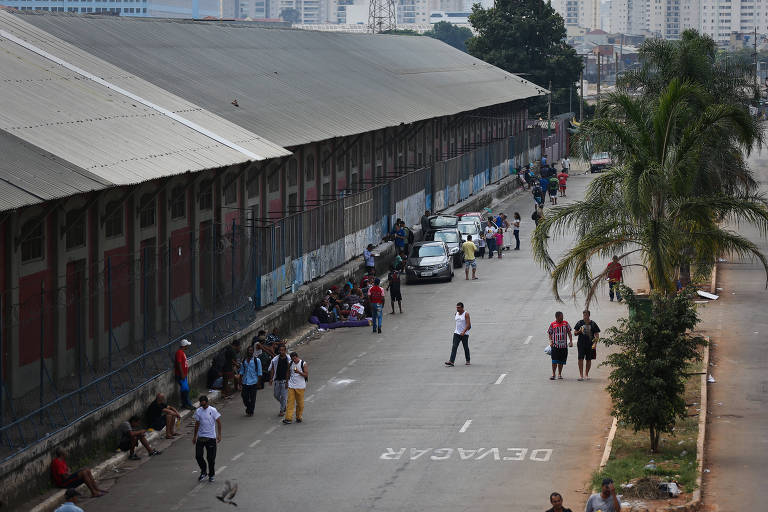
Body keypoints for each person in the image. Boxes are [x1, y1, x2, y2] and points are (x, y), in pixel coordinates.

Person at [192, 395, 222, 483]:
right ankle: (203, 471)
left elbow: (219, 422)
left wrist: (219, 435)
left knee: (210, 458)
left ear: (207, 403)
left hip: (211, 437)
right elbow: (197, 424)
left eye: (204, 405)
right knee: (198, 456)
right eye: (202, 405)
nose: (203, 406)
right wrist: (195, 436)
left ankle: (211, 474)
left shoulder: (213, 410)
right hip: (201, 437)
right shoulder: (198, 411)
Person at [574, 310, 601, 381]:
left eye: (586, 315)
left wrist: (595, 343)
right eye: (584, 315)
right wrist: (579, 331)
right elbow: (575, 333)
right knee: (580, 358)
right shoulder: (580, 323)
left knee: (588, 359)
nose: (585, 317)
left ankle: (586, 374)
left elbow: (597, 334)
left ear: (589, 315)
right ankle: (581, 375)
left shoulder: (593, 324)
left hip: (590, 344)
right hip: (581, 344)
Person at [283, 352, 308, 424]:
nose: (294, 360)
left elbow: (306, 375)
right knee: (290, 402)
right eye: (292, 359)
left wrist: (298, 372)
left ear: (297, 357)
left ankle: (298, 417)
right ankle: (288, 418)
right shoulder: (290, 363)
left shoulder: (303, 363)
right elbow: (288, 372)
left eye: (295, 358)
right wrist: (287, 382)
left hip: (300, 386)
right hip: (291, 385)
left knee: (300, 404)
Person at [547, 311, 573, 380]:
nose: (562, 318)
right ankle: (553, 374)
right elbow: (550, 333)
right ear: (557, 317)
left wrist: (571, 341)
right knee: (554, 360)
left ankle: (559, 374)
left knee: (561, 361)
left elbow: (569, 332)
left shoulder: (565, 323)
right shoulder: (553, 324)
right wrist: (551, 341)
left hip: (563, 346)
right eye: (561, 317)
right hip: (555, 346)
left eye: (562, 316)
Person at [445, 302, 471, 366]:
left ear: (462, 308)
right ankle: (451, 361)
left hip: (464, 334)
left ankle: (468, 360)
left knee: (465, 347)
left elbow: (468, 325)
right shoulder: (456, 313)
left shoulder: (466, 314)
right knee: (454, 347)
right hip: (456, 333)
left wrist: (464, 332)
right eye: (457, 307)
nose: (457, 309)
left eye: (459, 308)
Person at [239, 345, 262, 416]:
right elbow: (241, 372)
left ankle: (250, 411)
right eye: (249, 350)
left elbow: (259, 372)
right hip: (245, 382)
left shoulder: (257, 360)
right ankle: (249, 407)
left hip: (254, 382)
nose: (250, 352)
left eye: (251, 350)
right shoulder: (244, 361)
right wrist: (240, 382)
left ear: (253, 351)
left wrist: (258, 382)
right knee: (244, 396)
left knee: (252, 398)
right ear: (247, 351)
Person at [269, 344, 290, 416]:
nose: (281, 352)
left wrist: (287, 381)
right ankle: (284, 405)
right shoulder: (275, 359)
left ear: (285, 351)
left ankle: (282, 410)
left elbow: (289, 371)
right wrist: (271, 378)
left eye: (283, 350)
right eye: (280, 350)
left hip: (285, 380)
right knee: (276, 395)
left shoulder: (288, 359)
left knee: (283, 396)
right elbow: (272, 369)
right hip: (277, 380)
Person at [174, 339, 193, 410]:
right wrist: (182, 374)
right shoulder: (179, 352)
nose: (188, 346)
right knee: (185, 389)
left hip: (183, 375)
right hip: (181, 375)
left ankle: (185, 404)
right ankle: (187, 404)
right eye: (187, 345)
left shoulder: (182, 352)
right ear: (184, 346)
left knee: (184, 389)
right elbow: (179, 363)